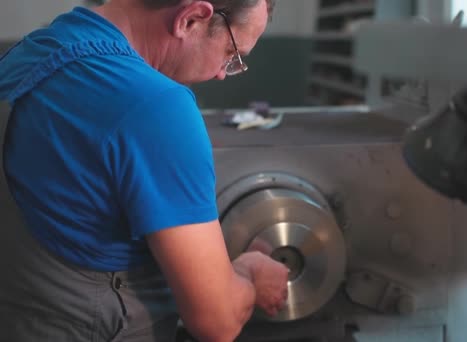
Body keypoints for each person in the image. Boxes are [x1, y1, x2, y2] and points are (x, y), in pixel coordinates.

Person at [0, 0, 289, 341]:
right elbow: (218, 321)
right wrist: (250, 273)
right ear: (191, 18)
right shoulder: (158, 108)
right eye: (231, 52)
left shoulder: (32, 51)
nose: (222, 72)